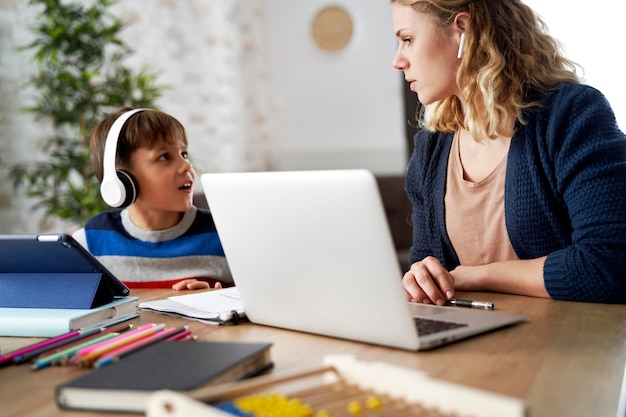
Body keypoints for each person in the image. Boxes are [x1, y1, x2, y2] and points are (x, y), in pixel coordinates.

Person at [391, 0, 626, 304]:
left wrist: (479, 274)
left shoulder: (571, 115)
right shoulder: (431, 149)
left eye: (407, 40)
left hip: (568, 341)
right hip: (470, 344)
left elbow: (611, 263)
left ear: (462, 29)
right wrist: (421, 278)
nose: (398, 61)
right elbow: (431, 271)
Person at [73, 107, 232, 291]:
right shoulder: (89, 242)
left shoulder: (224, 235)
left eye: (184, 154)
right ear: (121, 179)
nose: (186, 166)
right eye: (164, 157)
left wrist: (220, 299)